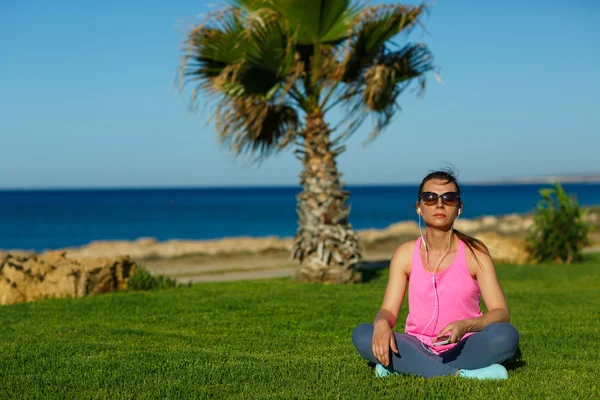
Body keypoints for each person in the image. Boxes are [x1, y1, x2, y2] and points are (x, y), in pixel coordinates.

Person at [352, 170, 519, 380]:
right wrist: (381, 324)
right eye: (430, 198)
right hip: (417, 344)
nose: (439, 205)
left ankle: (404, 368)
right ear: (419, 208)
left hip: (464, 346)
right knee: (362, 334)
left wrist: (466, 325)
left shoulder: (476, 253)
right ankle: (461, 374)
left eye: (448, 198)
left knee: (506, 336)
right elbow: (388, 310)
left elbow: (501, 313)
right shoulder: (405, 254)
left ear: (459, 208)